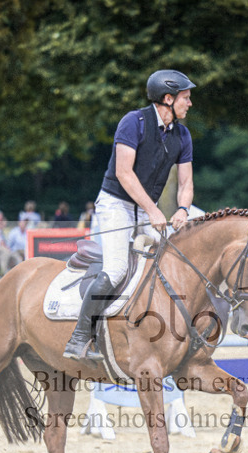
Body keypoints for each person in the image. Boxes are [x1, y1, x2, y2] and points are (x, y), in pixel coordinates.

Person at [63, 69, 196, 361]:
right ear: (168, 98)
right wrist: (152, 210)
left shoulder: (182, 135)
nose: (190, 103)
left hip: (147, 209)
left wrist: (183, 209)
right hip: (116, 205)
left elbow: (186, 183)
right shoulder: (132, 122)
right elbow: (124, 173)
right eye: (186, 98)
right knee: (117, 270)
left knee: (178, 257)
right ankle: (79, 338)